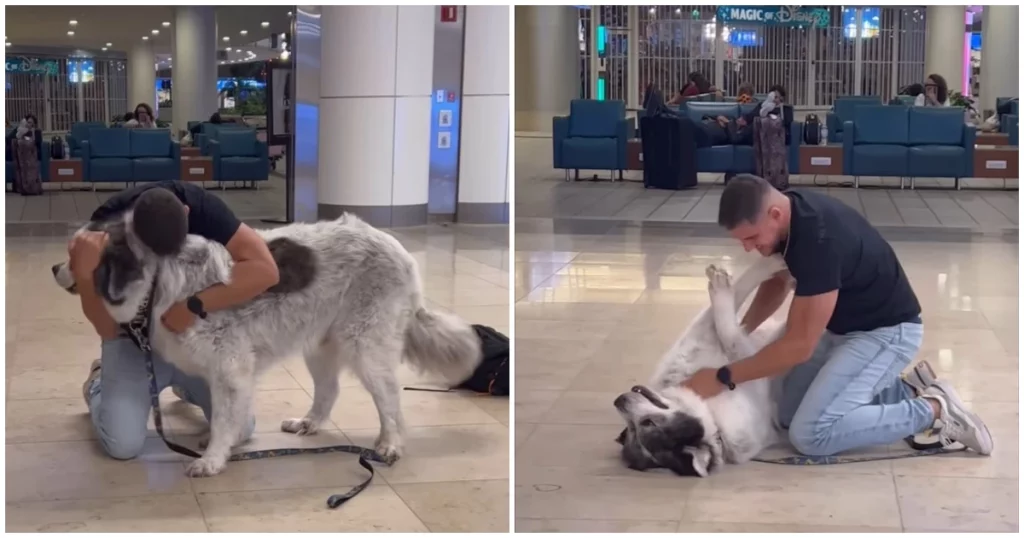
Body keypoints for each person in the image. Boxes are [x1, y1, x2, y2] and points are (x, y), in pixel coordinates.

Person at [681, 174, 994, 457]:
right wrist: (741, 332)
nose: (748, 248)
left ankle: (936, 409)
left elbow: (798, 346)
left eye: (751, 238)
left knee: (812, 435)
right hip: (839, 329)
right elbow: (778, 282)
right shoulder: (789, 214)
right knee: (788, 417)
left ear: (774, 215)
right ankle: (903, 389)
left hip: (886, 333)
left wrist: (723, 377)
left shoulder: (818, 241)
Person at [69, 182, 280, 459]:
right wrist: (86, 278)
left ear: (186, 211)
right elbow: (106, 328)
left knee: (240, 429)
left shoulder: (205, 208)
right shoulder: (104, 229)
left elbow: (266, 271)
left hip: (190, 340)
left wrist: (193, 304)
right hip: (134, 343)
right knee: (122, 446)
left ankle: (186, 385)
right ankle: (99, 384)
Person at [9, 114, 44, 195]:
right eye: (27, 122)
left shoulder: (36, 132)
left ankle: (33, 188)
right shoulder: (20, 130)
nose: (29, 124)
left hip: (31, 156)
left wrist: (30, 133)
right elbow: (10, 138)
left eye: (31, 123)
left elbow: (38, 143)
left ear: (34, 124)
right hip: (21, 157)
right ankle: (21, 187)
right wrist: (20, 132)